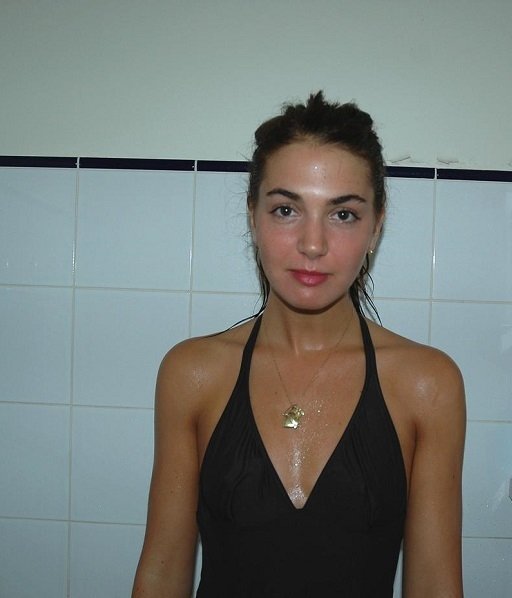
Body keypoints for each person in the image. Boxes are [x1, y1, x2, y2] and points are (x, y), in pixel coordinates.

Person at [132, 91, 466, 598]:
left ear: (376, 227)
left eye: (343, 214)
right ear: (253, 216)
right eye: (286, 210)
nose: (313, 244)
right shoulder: (193, 373)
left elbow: (437, 586)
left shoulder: (427, 384)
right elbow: (161, 575)